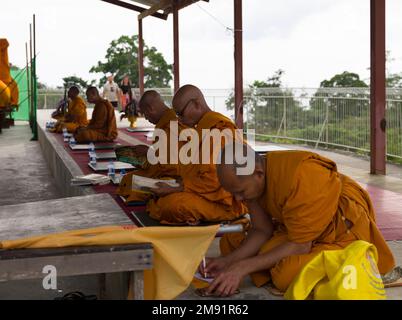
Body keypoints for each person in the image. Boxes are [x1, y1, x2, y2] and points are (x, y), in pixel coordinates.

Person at [199, 143, 395, 297]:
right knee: (230, 245)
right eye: (233, 193)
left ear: (259, 173)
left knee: (285, 274)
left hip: (340, 225)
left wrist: (243, 267)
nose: (238, 200)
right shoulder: (253, 181)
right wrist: (229, 262)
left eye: (240, 192)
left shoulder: (302, 174)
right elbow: (261, 230)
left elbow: (300, 245)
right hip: (299, 228)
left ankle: (351, 257)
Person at [146, 84, 247, 225]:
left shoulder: (220, 131)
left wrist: (177, 187)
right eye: (177, 115)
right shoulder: (202, 130)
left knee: (172, 205)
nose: (179, 120)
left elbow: (214, 180)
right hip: (206, 194)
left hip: (228, 204)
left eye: (181, 113)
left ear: (197, 104)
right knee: (162, 199)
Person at [117, 90, 184, 202]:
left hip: (173, 179)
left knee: (132, 184)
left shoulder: (172, 126)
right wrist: (144, 155)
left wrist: (148, 154)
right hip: (159, 171)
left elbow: (173, 169)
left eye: (145, 114)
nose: (146, 118)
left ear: (151, 109)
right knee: (128, 179)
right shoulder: (164, 123)